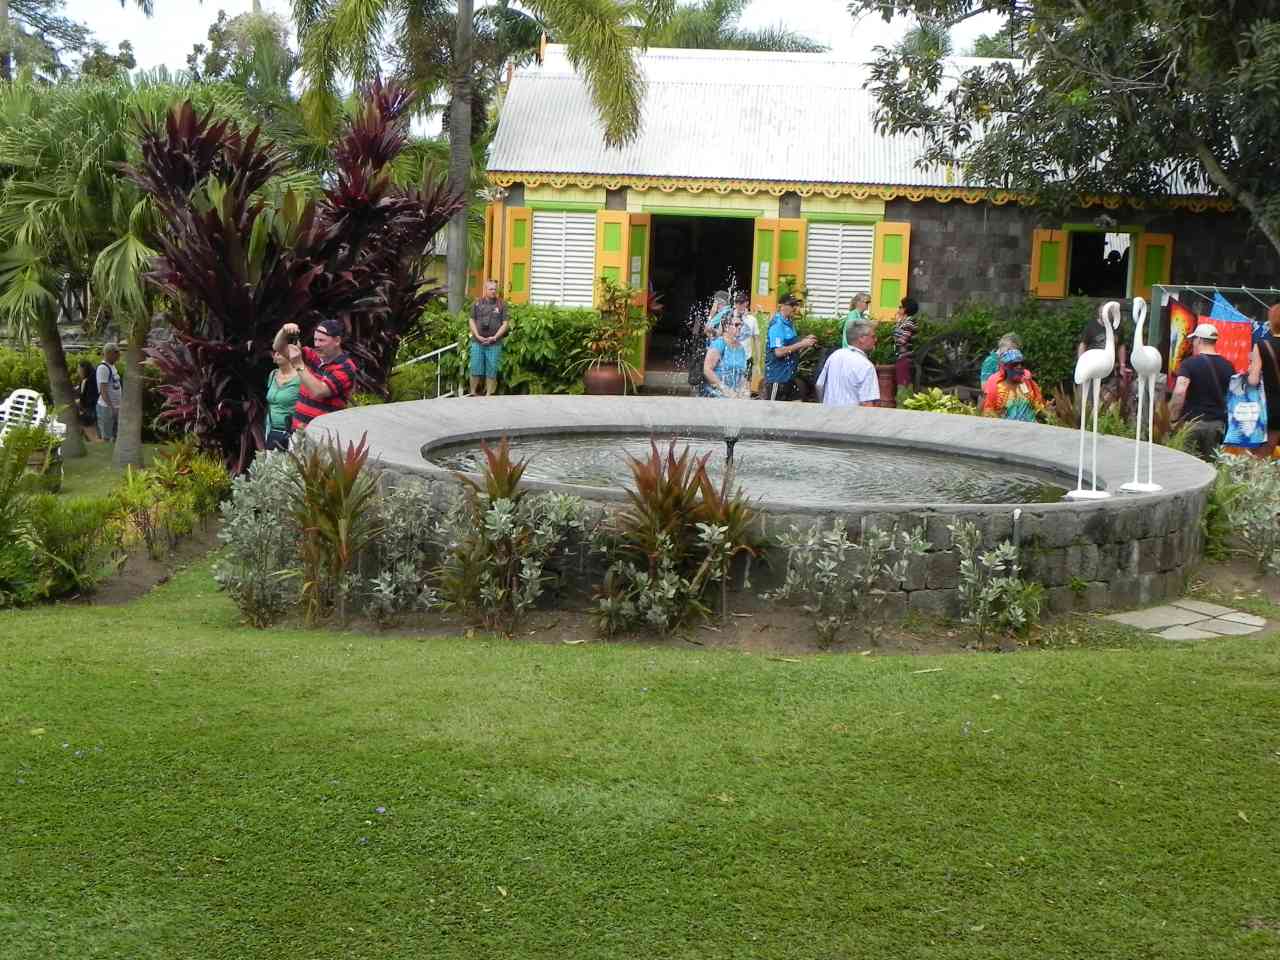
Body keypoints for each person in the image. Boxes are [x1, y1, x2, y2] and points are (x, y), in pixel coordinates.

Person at [273, 318, 357, 431]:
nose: (316, 344)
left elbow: (319, 392)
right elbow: (278, 347)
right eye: (315, 339)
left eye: (321, 340)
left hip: (321, 435)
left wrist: (298, 364)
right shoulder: (312, 355)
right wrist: (284, 331)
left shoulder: (346, 368)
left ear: (337, 341)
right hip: (297, 431)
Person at [1169, 323, 1234, 460]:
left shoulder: (1189, 364)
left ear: (1199, 340)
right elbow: (1232, 396)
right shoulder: (1228, 366)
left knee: (1187, 463)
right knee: (1211, 466)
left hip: (1193, 423)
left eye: (1194, 340)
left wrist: (1173, 418)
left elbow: (1180, 392)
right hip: (1217, 425)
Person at [764, 294, 817, 401]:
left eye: (796, 305)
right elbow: (778, 352)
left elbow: (791, 347)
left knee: (795, 407)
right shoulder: (777, 325)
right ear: (781, 306)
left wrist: (805, 341)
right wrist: (802, 344)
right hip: (777, 379)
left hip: (789, 378)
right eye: (792, 305)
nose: (795, 308)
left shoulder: (789, 323)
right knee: (773, 410)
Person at [816, 319, 880, 407]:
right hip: (853, 414)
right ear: (861, 338)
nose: (875, 340)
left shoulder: (834, 356)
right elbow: (867, 403)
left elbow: (819, 385)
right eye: (873, 336)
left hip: (829, 412)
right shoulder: (866, 365)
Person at [1246, 303, 1280, 459]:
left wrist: (1251, 370)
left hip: (1269, 406)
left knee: (1263, 451)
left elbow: (1253, 380)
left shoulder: (1262, 345)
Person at [981, 349, 1046, 421]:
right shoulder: (996, 388)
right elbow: (988, 412)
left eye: (1022, 364)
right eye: (1014, 364)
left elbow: (1039, 406)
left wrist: (1048, 413)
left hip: (1030, 427)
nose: (1019, 367)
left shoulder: (1028, 384)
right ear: (1005, 367)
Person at [469, 280, 509, 396]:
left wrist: (495, 337)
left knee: (492, 369)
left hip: (494, 343)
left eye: (495, 289)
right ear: (485, 290)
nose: (493, 291)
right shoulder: (477, 303)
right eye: (490, 289)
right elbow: (471, 319)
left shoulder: (502, 304)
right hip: (477, 342)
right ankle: (472, 392)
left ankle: (488, 395)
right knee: (475, 367)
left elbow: (505, 323)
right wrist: (477, 335)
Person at [701, 313, 751, 399]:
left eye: (741, 325)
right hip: (716, 396)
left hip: (734, 397)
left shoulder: (741, 348)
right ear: (726, 327)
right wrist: (724, 389)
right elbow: (707, 370)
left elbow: (741, 374)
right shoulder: (719, 343)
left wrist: (745, 391)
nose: (740, 327)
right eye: (736, 325)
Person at [264, 347, 301, 451]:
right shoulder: (273, 374)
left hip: (292, 433)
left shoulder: (300, 377)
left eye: (281, 352)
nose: (276, 354)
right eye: (275, 351)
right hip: (272, 431)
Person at [95, 343, 122, 443]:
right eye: (116, 353)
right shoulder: (103, 368)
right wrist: (112, 407)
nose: (119, 355)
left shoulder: (112, 366)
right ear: (109, 353)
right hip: (106, 407)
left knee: (115, 434)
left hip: (115, 406)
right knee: (106, 436)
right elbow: (103, 391)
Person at [893, 296, 920, 391]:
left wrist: (895, 338)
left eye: (900, 307)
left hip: (905, 356)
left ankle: (904, 398)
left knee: (904, 383)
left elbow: (903, 340)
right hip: (900, 356)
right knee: (901, 381)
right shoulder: (903, 322)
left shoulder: (909, 322)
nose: (898, 309)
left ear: (905, 309)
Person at [75, 360, 100, 442]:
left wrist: (79, 403)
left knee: (92, 434)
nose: (77, 371)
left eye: (79, 368)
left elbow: (87, 398)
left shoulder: (88, 381)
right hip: (93, 408)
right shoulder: (91, 379)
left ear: (84, 369)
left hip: (90, 410)